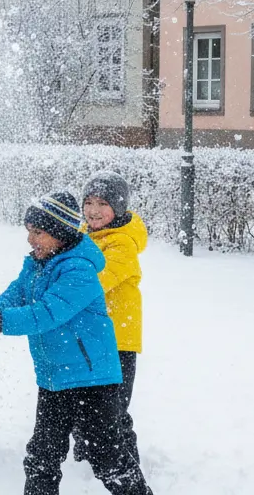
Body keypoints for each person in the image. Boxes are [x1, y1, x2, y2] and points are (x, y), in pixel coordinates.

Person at [0, 192, 153, 495]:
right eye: (29, 231)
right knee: (42, 457)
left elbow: (45, 314)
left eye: (38, 232)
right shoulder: (37, 263)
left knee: (109, 461)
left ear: (59, 233)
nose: (31, 240)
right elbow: (13, 296)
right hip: (54, 378)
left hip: (91, 381)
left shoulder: (80, 270)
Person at [73, 171, 147, 463]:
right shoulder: (82, 237)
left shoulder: (121, 244)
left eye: (102, 203)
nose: (93, 210)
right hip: (89, 336)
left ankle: (126, 461)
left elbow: (95, 282)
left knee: (113, 407)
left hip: (118, 339)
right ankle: (87, 456)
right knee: (83, 399)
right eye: (88, 202)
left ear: (117, 207)